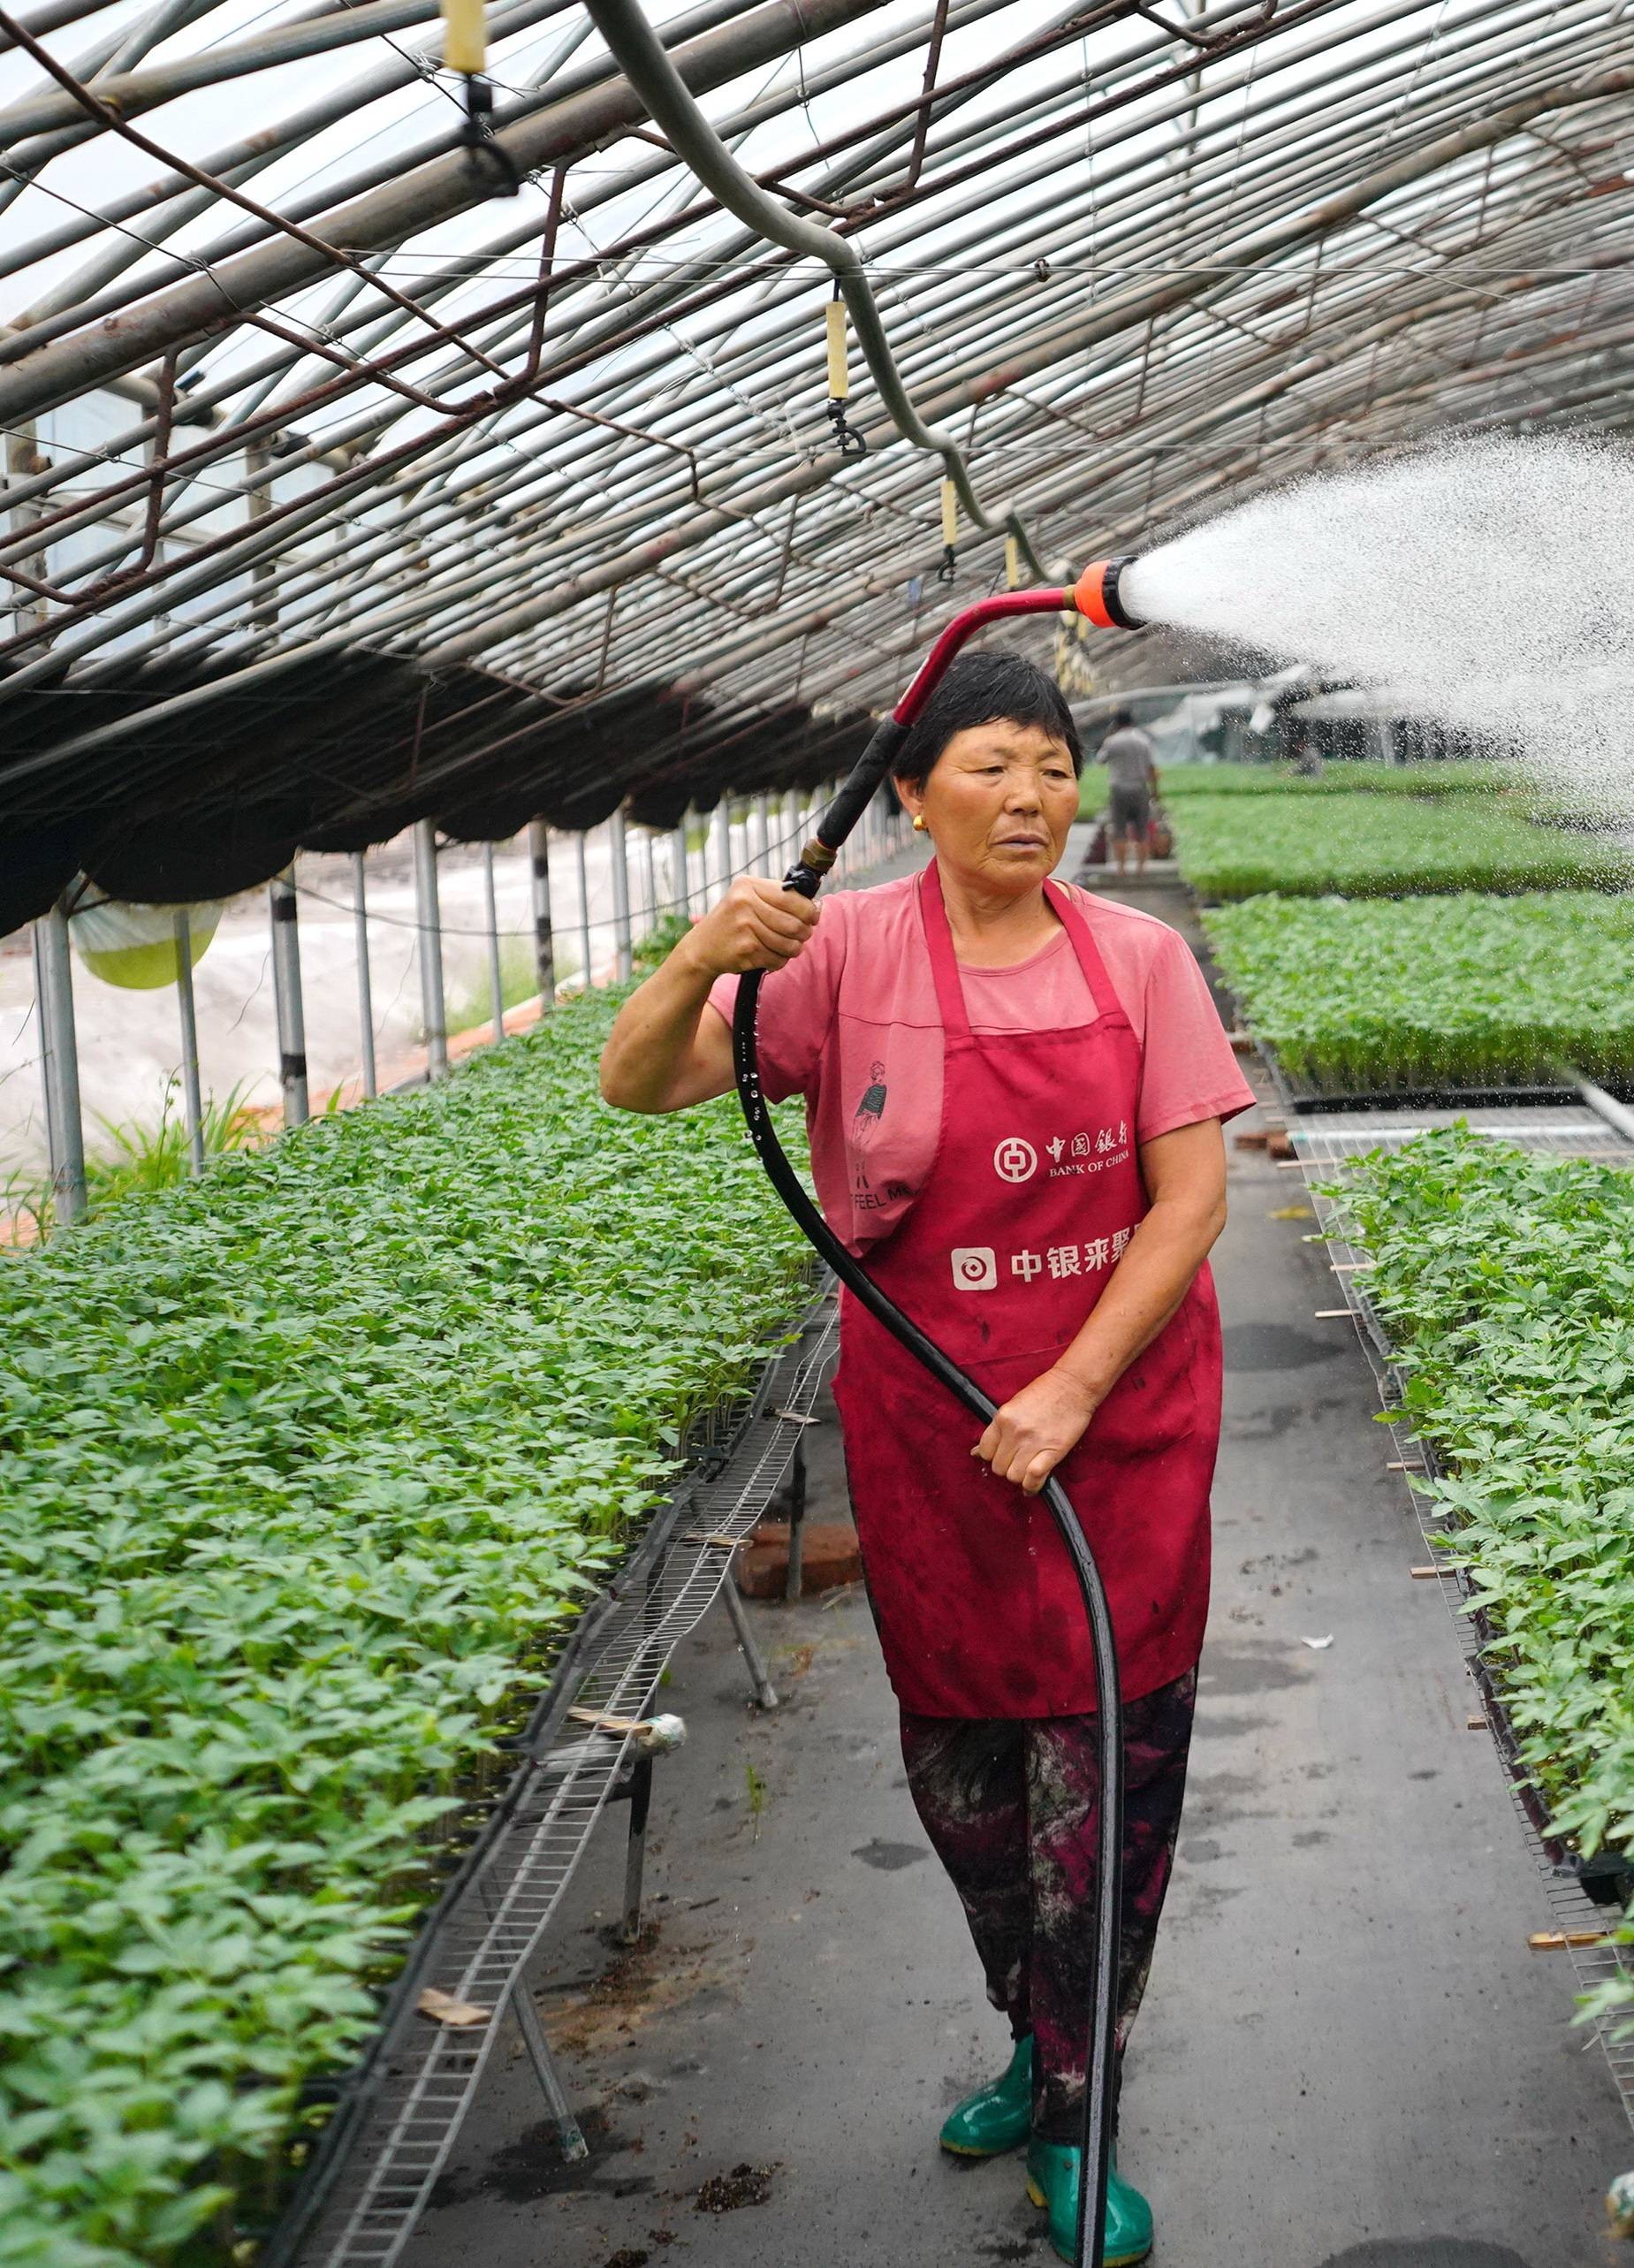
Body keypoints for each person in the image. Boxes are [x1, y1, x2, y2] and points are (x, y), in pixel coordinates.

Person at [597, 651, 1250, 2265]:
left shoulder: (1146, 960)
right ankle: (1029, 2036)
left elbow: (1192, 1203)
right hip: (935, 1433)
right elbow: (638, 1083)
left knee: (1107, 1793)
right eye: (990, 768)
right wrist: (698, 956)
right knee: (965, 1782)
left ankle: (1085, 2108)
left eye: (1052, 767)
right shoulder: (844, 955)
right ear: (908, 791)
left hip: (1119, 1434)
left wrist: (1075, 1390)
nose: (1030, 799)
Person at [1097, 722, 1163, 869]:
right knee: (1142, 830)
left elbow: (1100, 760)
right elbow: (1151, 767)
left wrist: (1109, 738)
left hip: (1119, 789)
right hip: (1139, 788)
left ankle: (1121, 868)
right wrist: (1155, 791)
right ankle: (1141, 868)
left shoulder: (1112, 741)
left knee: (1119, 829)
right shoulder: (1143, 740)